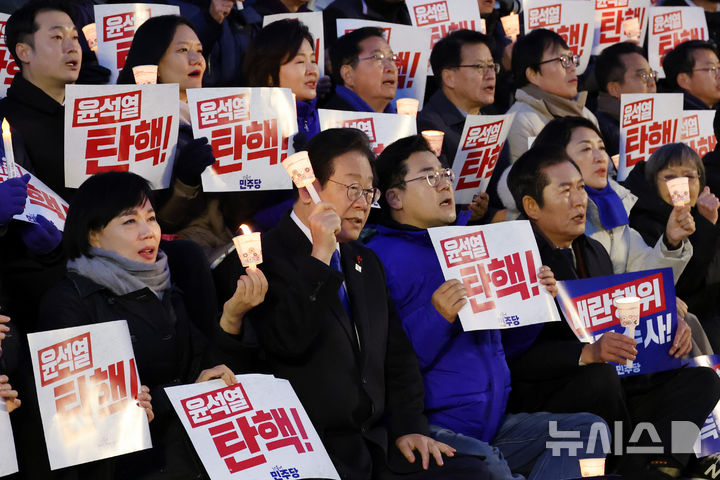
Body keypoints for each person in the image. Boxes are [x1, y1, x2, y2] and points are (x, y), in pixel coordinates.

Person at [248, 128, 491, 480]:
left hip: (375, 445)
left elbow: (398, 358)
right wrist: (319, 256)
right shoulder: (261, 259)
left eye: (368, 191)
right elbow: (288, 341)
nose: (362, 203)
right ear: (308, 188)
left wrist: (410, 426)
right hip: (309, 454)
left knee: (474, 473)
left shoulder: (365, 260)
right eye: (351, 188)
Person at [367, 134, 608, 480]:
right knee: (490, 467)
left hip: (493, 424)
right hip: (434, 429)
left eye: (445, 175)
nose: (444, 184)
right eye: (429, 177)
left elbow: (507, 347)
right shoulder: (382, 258)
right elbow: (386, 363)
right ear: (394, 197)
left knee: (587, 432)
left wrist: (534, 304)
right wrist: (437, 318)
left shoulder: (473, 243)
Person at [503, 146, 720, 479]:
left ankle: (661, 469)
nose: (580, 199)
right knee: (599, 377)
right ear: (532, 205)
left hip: (618, 384)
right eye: (565, 191)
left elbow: (623, 314)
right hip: (554, 394)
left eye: (580, 187)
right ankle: (633, 468)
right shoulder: (517, 260)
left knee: (700, 379)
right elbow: (515, 358)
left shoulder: (595, 251)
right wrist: (586, 353)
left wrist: (666, 324)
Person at [38, 171, 267, 479]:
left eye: (152, 217)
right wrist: (174, 398)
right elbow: (76, 425)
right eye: (129, 221)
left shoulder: (169, 283)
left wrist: (232, 318)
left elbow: (206, 374)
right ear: (93, 234)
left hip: (189, 461)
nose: (148, 232)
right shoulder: (69, 302)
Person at [532, 117, 692, 282]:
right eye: (586, 149)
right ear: (555, 160)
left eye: (601, 147)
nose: (600, 157)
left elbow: (647, 277)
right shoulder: (549, 217)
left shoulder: (616, 205)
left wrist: (670, 242)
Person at [624, 143, 720, 351]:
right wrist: (706, 228)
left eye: (689, 177)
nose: (680, 185)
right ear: (653, 184)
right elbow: (684, 286)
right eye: (669, 178)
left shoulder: (703, 213)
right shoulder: (642, 222)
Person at [417, 29, 508, 223]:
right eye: (479, 67)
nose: (490, 74)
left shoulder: (493, 120)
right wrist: (474, 213)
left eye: (492, 66)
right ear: (449, 77)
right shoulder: (429, 126)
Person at [1, 0, 81, 200]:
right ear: (24, 52)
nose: (72, 47)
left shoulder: (95, 116)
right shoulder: (4, 122)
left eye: (75, 37)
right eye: (57, 37)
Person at [504, 29, 598, 163]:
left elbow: (606, 175)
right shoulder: (519, 122)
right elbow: (527, 181)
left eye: (572, 59)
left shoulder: (585, 114)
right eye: (564, 60)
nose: (572, 68)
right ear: (533, 74)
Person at [593, 42, 657, 157]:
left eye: (652, 75)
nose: (652, 83)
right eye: (643, 76)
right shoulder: (598, 132)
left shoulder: (660, 124)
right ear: (614, 89)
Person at [324, 27, 398, 114]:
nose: (391, 68)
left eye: (391, 58)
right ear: (348, 75)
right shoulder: (329, 122)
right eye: (377, 57)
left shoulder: (402, 123)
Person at [662, 40, 720, 110]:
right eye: (712, 68)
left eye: (719, 68)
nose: (718, 75)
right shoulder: (676, 116)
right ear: (684, 80)